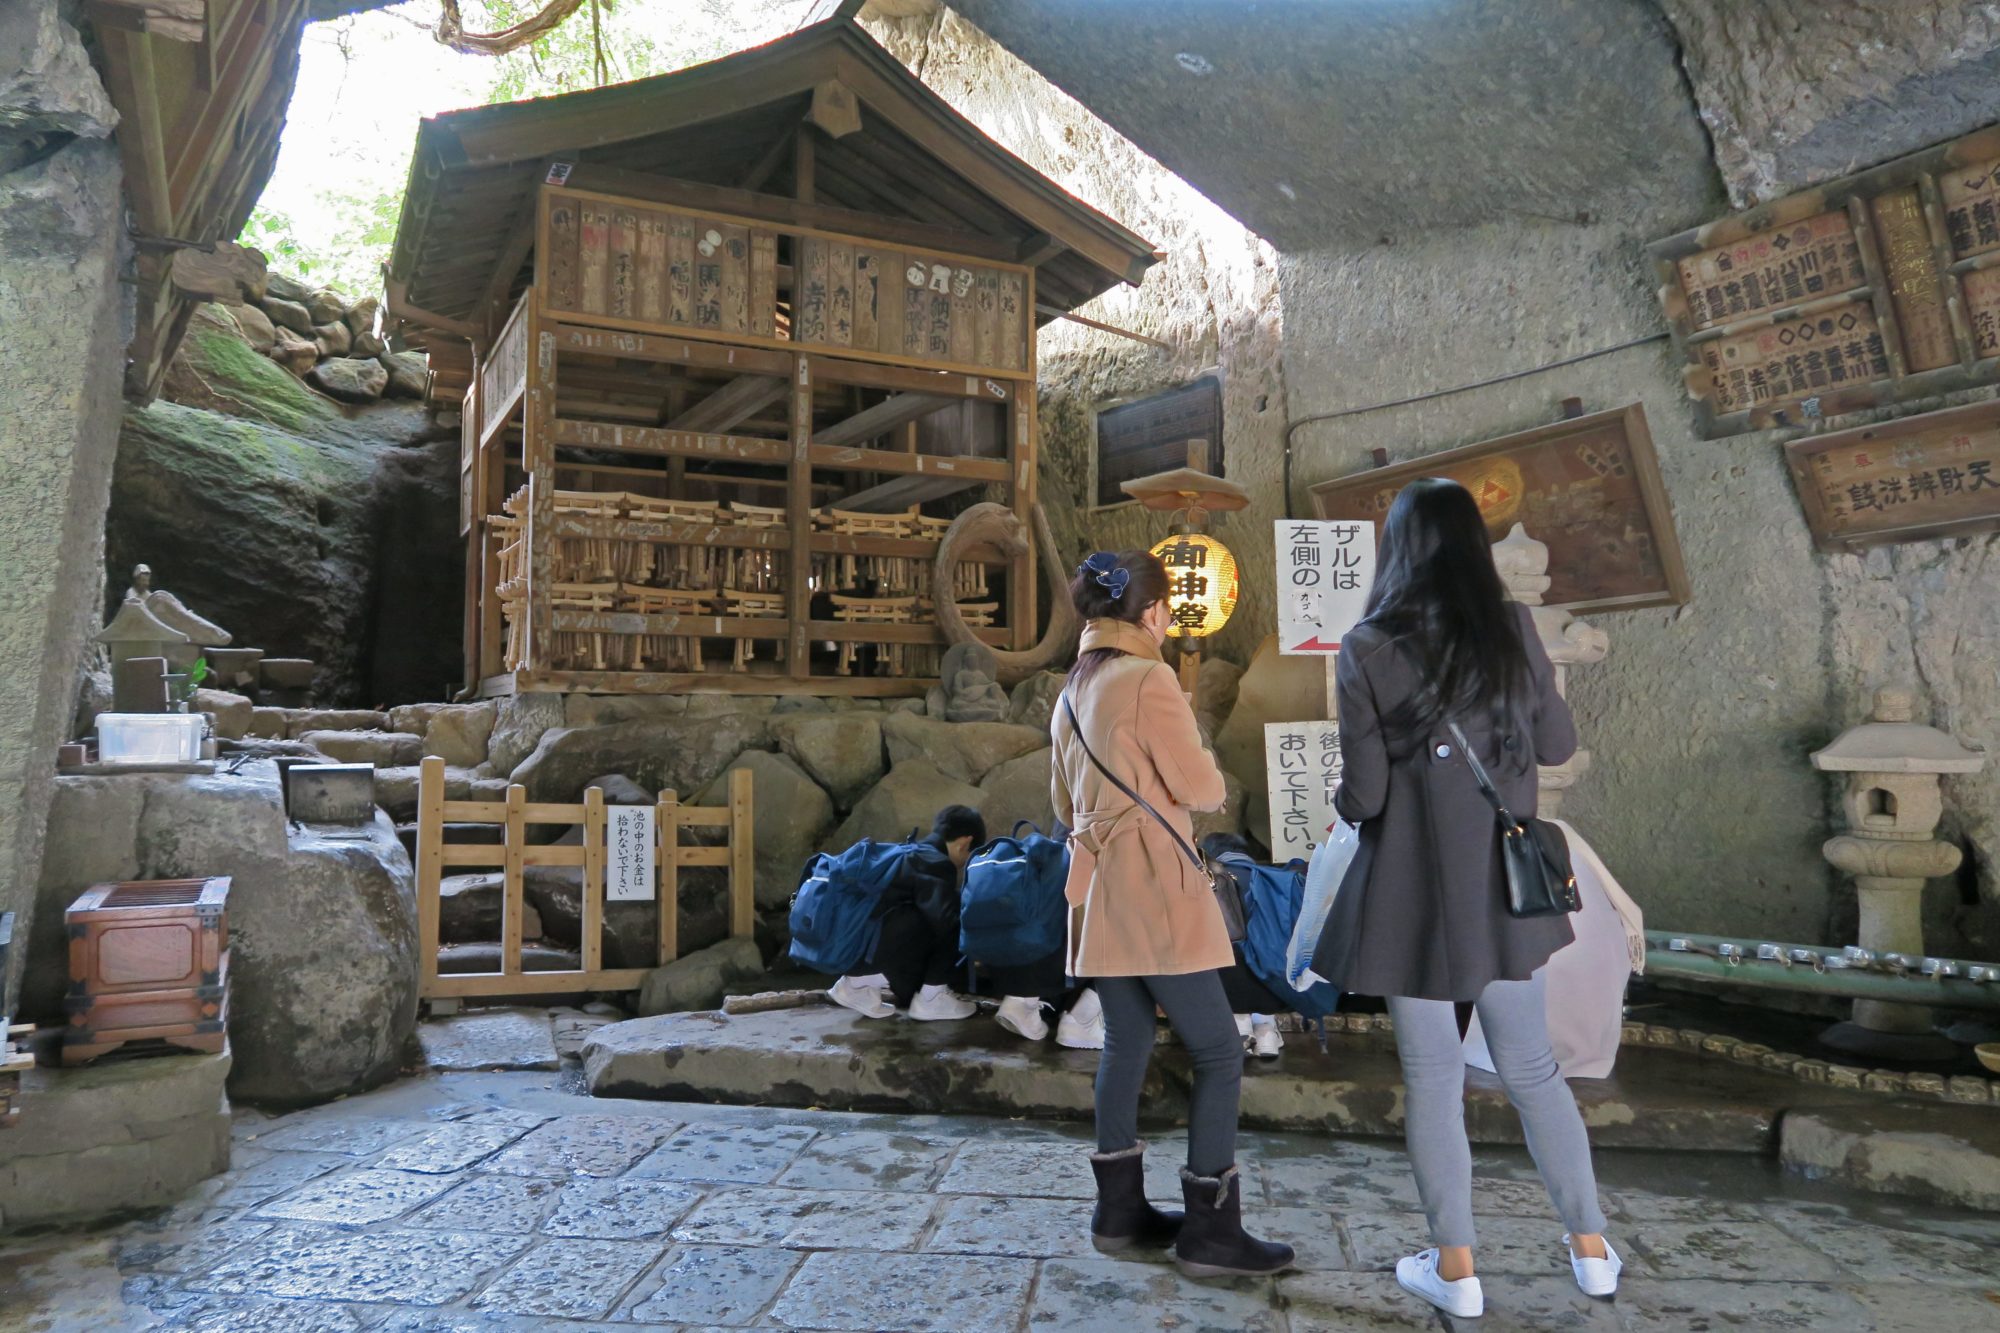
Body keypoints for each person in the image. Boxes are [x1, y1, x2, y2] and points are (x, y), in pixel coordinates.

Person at [1312, 478, 1619, 1319]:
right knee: (1531, 1069)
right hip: (1505, 890)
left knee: (1434, 1076)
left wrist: (1346, 808)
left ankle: (1457, 1266)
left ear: (1397, 549)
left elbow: (1365, 795)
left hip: (1412, 894)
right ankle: (1591, 1249)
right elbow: (1556, 742)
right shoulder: (1511, 628)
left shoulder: (1367, 644)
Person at [1053, 549, 1294, 1278]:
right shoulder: (1150, 677)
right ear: (1153, 613)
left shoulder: (1071, 689)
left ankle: (1118, 1214)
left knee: (1125, 1039)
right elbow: (1203, 786)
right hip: (1153, 884)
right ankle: (1212, 1232)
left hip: (1096, 888)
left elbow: (1063, 805)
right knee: (1219, 1050)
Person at [827, 806, 983, 1022]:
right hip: (872, 949)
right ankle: (932, 998)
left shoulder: (907, 852)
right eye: (967, 857)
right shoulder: (936, 863)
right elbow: (946, 922)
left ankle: (856, 984)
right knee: (956, 916)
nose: (963, 865)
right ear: (964, 843)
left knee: (923, 915)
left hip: (846, 950)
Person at [1200, 832, 1288, 1060]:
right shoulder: (1271, 878)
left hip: (1225, 989)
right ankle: (1266, 1032)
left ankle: (1240, 1027)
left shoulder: (1205, 882)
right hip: (1272, 985)